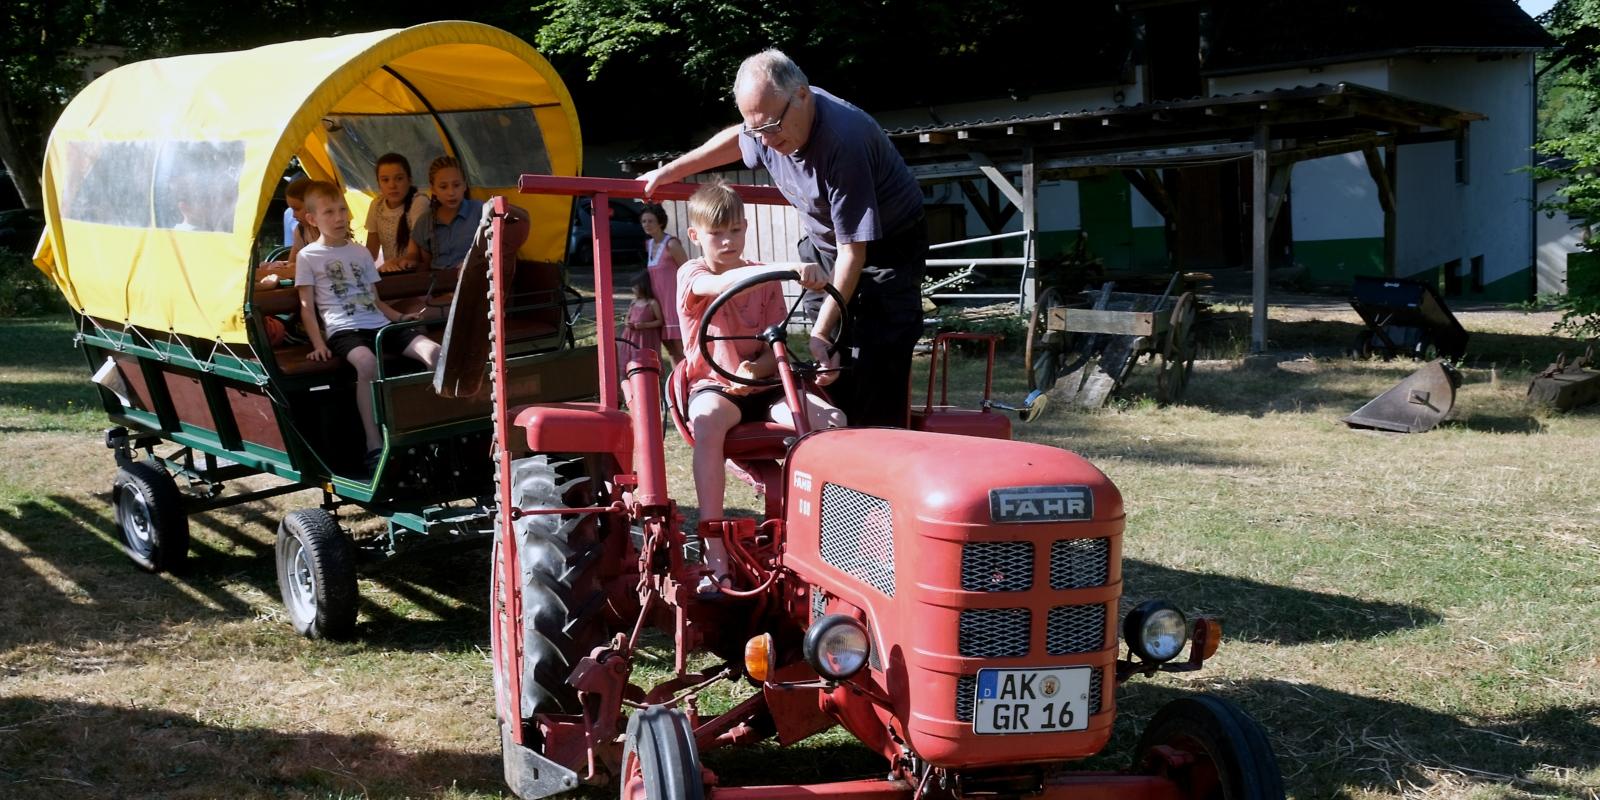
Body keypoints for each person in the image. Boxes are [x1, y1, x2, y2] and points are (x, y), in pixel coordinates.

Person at [642, 49, 927, 429]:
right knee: (826, 369)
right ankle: (834, 449)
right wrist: (671, 171)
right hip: (826, 246)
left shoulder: (844, 143)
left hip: (885, 252)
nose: (766, 140)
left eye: (772, 127)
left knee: (874, 360)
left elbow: (853, 253)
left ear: (803, 96)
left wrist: (822, 331)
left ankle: (880, 458)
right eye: (756, 129)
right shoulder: (768, 122)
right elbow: (738, 140)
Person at [677, 181, 843, 594]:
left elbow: (776, 341)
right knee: (709, 419)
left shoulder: (765, 281)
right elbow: (713, 288)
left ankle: (828, 536)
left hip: (765, 388)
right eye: (717, 233)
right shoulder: (692, 273)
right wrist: (786, 268)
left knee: (831, 420)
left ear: (746, 228)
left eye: (735, 230)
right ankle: (713, 549)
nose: (728, 240)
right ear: (696, 236)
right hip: (716, 387)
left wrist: (759, 367)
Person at [294, 180, 440, 476]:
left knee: (435, 352)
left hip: (379, 323)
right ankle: (374, 444)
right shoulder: (308, 256)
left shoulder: (360, 253)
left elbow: (375, 300)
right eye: (328, 213)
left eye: (341, 210)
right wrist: (318, 344)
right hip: (344, 329)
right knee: (367, 363)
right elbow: (307, 307)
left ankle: (430, 428)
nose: (338, 218)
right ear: (312, 219)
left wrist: (399, 318)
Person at [411, 156, 485, 271]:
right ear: (433, 190)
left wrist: (472, 263)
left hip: (473, 279)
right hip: (439, 284)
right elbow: (425, 263)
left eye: (456, 185)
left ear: (464, 185)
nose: (451, 192)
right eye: (443, 187)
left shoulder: (480, 210)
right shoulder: (425, 221)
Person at [364, 153, 430, 273]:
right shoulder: (376, 205)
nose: (392, 185)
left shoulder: (419, 202)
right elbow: (371, 254)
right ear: (378, 184)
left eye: (399, 178)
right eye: (385, 180)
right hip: (392, 273)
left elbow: (414, 255)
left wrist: (393, 263)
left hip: (417, 272)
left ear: (409, 180)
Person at [639, 203, 688, 364]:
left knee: (683, 349)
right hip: (658, 304)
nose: (646, 224)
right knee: (671, 351)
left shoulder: (672, 244)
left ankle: (694, 384)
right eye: (644, 221)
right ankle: (678, 385)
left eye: (650, 221)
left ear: (660, 222)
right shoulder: (649, 244)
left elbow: (688, 271)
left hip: (674, 303)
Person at [617, 273, 663, 407]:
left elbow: (659, 321)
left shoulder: (652, 303)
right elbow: (628, 317)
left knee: (647, 367)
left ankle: (656, 398)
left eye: (635, 287)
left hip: (645, 338)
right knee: (627, 365)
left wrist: (644, 325)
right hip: (630, 337)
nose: (633, 290)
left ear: (643, 287)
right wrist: (627, 323)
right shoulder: (633, 302)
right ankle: (629, 397)